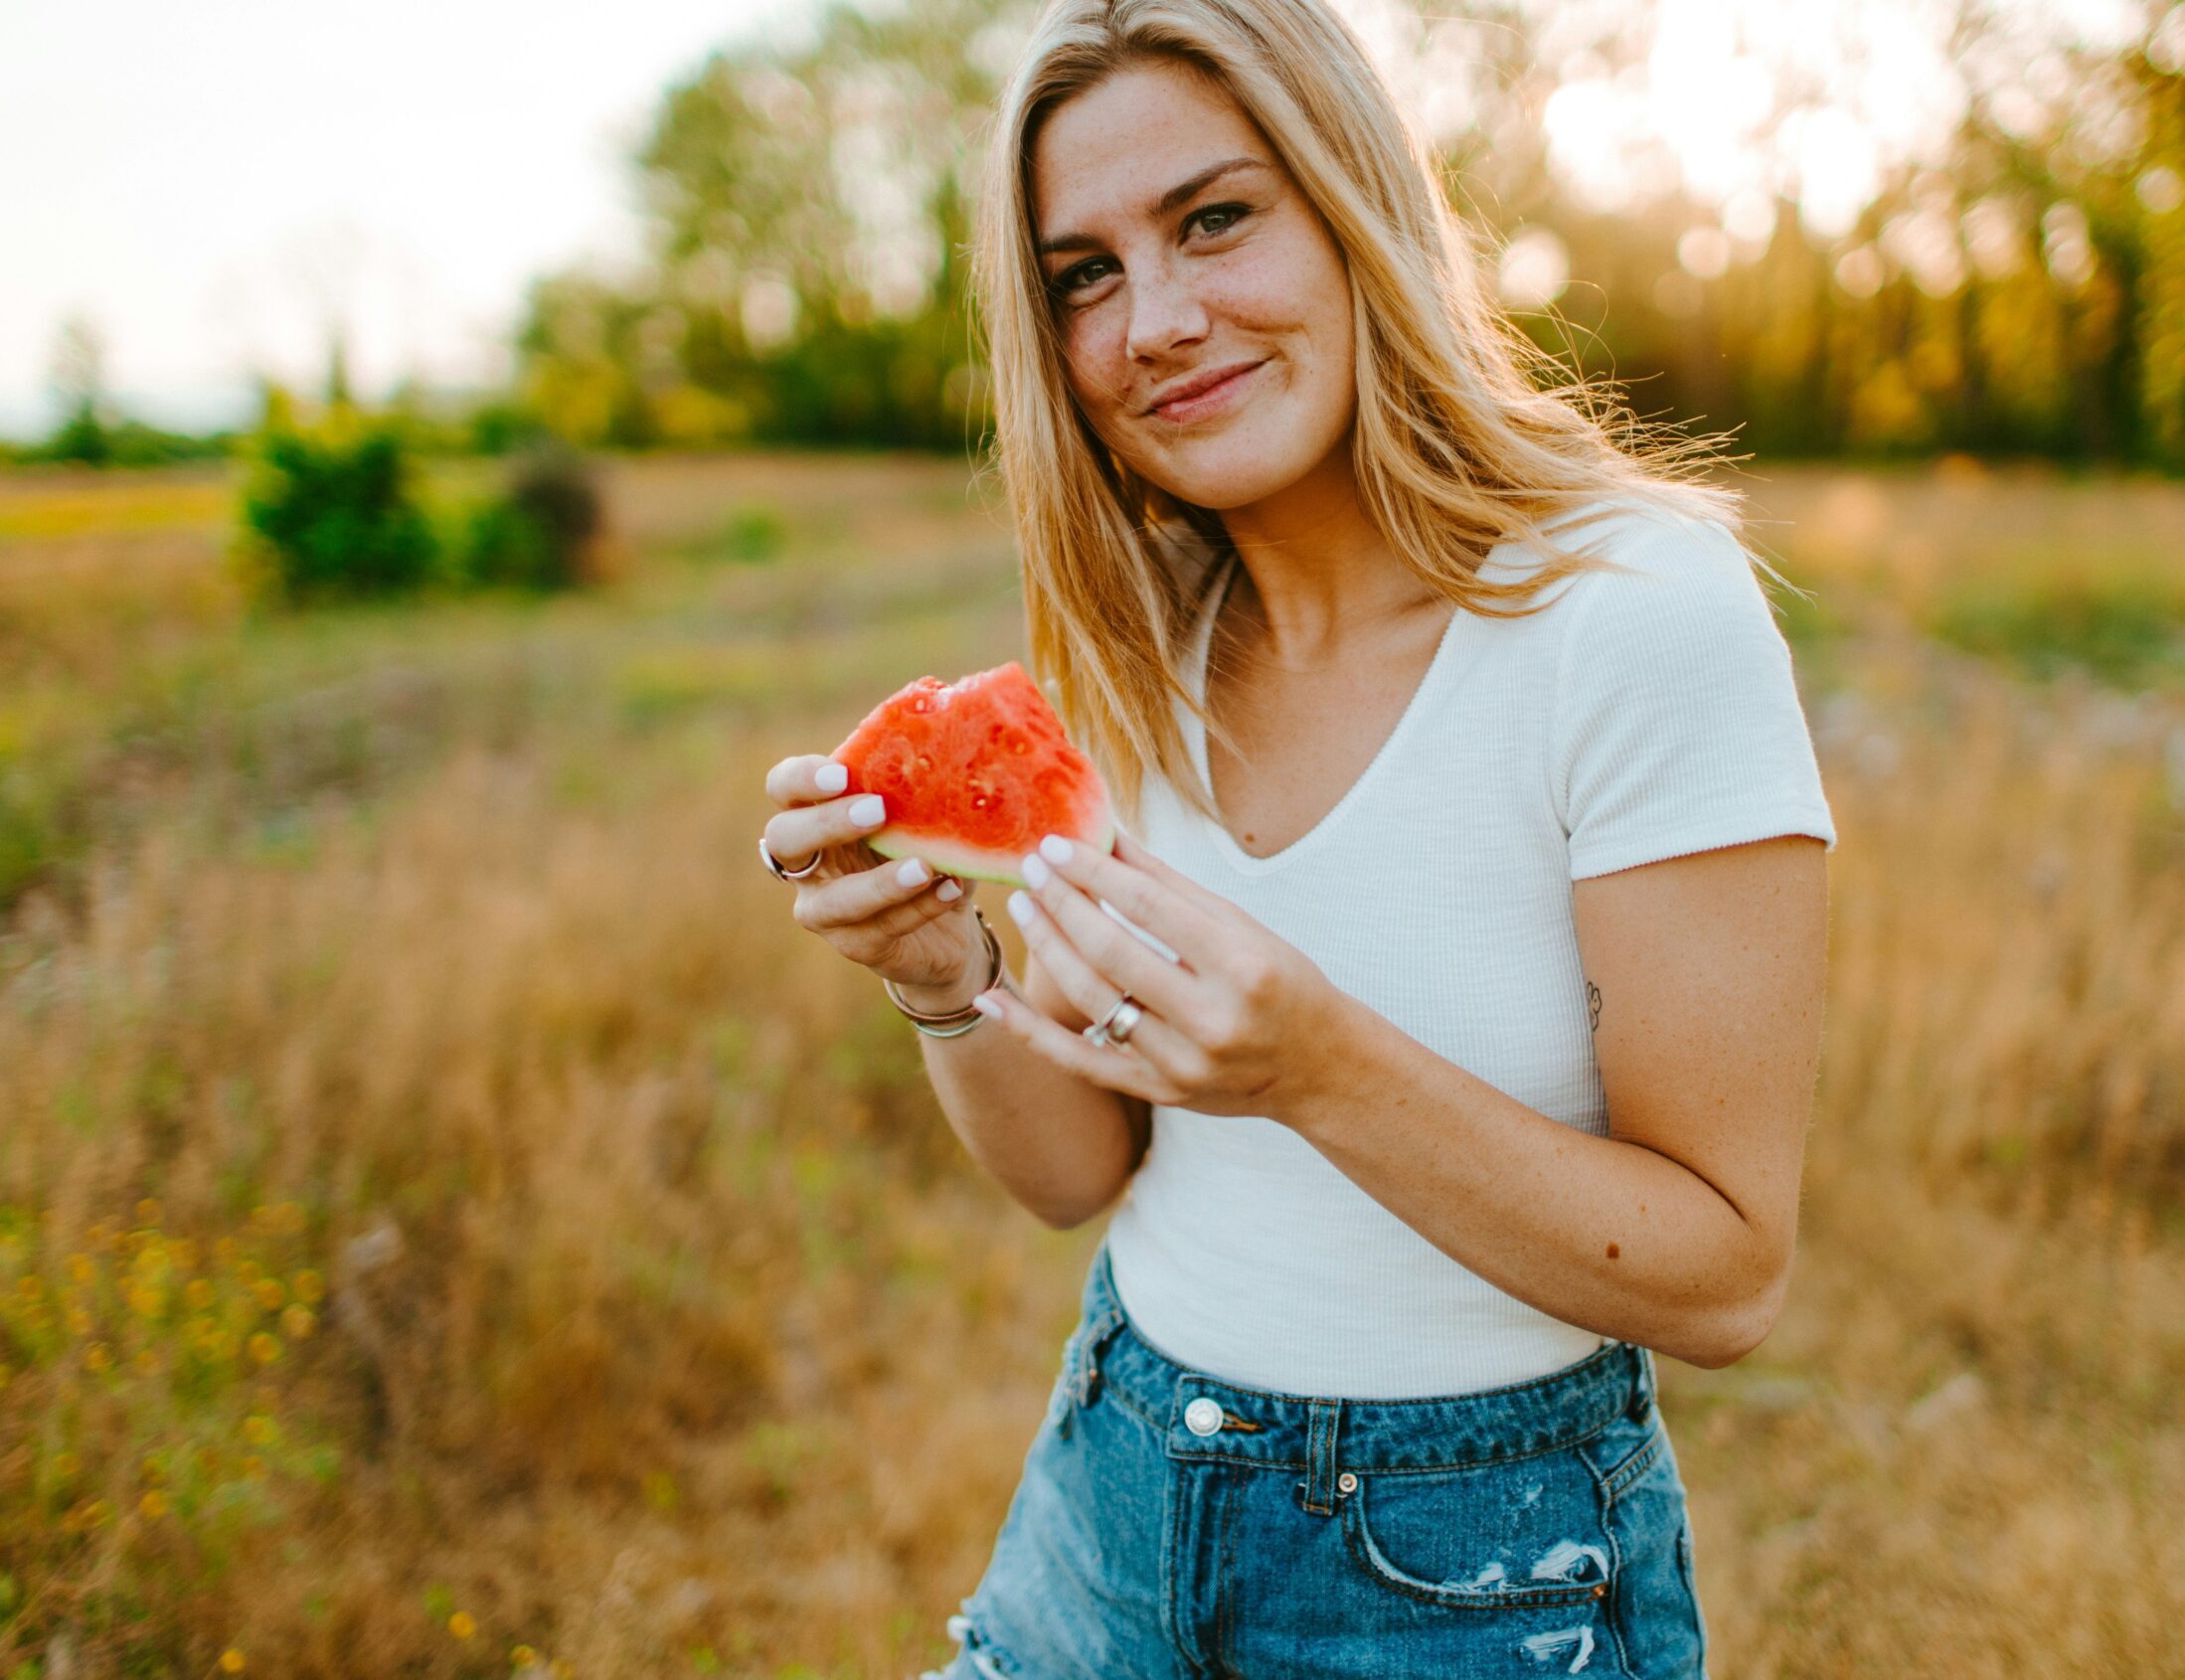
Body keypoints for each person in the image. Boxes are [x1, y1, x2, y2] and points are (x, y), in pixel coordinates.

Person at [756, 0, 1834, 1672]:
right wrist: (937, 966)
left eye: (1212, 218)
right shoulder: (1139, 649)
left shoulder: (1634, 611)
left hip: (1470, 1564)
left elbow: (1722, 1278)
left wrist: (1316, 1064)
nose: (1156, 322)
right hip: (1109, 1491)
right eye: (1081, 275)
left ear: (1351, 205)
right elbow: (1075, 1179)